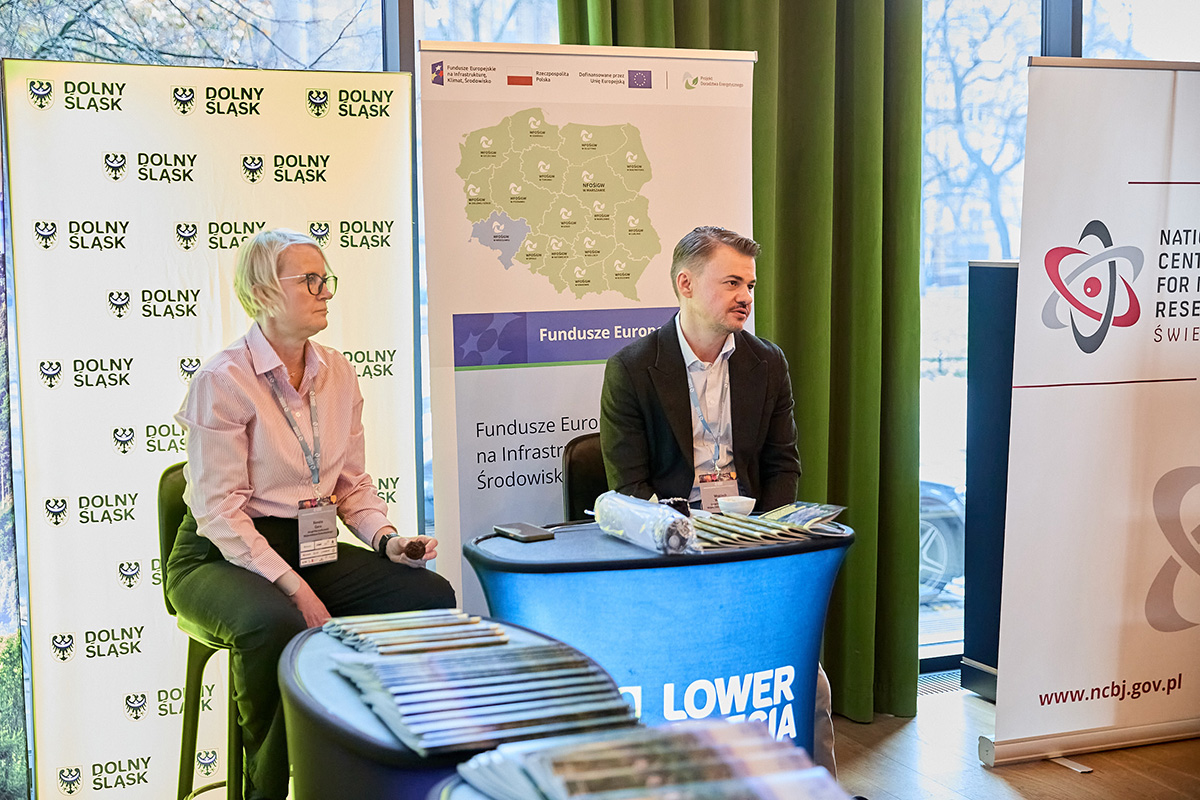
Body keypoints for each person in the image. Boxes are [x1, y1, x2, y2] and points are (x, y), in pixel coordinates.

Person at [166, 228, 455, 800]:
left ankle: (382, 775)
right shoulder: (223, 380)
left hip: (307, 543)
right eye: (311, 281)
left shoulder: (338, 372)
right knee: (272, 622)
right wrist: (295, 589)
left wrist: (387, 540)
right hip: (219, 556)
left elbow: (350, 486)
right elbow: (219, 513)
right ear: (264, 293)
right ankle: (266, 790)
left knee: (427, 594)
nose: (327, 292)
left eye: (327, 279)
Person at [599, 226, 836, 774]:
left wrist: (766, 539)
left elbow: (782, 465)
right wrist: (685, 541)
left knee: (812, 688)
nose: (746, 297)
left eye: (750, 285)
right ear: (685, 284)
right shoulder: (632, 368)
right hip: (673, 557)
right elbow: (629, 488)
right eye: (731, 283)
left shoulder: (767, 363)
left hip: (749, 548)